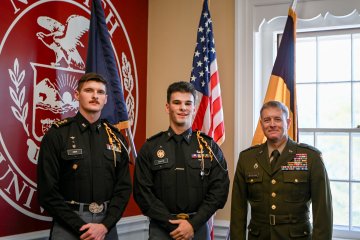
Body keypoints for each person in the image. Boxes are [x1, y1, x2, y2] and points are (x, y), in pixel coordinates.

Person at [37, 72, 132, 240]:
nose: (95, 96)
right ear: (77, 95)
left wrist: (105, 225)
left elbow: (123, 188)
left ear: (106, 98)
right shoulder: (58, 134)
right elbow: (47, 192)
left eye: (100, 92)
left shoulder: (116, 138)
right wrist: (81, 227)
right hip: (68, 224)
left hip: (106, 226)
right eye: (89, 90)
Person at [133, 81, 229, 240]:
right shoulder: (151, 147)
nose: (183, 108)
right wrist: (171, 224)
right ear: (167, 107)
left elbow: (220, 190)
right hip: (161, 229)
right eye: (176, 103)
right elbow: (142, 193)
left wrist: (193, 224)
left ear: (194, 108)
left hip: (197, 228)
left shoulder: (209, 147)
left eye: (188, 103)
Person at [230, 100, 333, 239]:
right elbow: (238, 210)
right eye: (267, 120)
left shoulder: (310, 157)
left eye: (277, 119)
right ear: (261, 125)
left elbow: (323, 212)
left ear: (288, 123)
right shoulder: (247, 158)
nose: (272, 124)